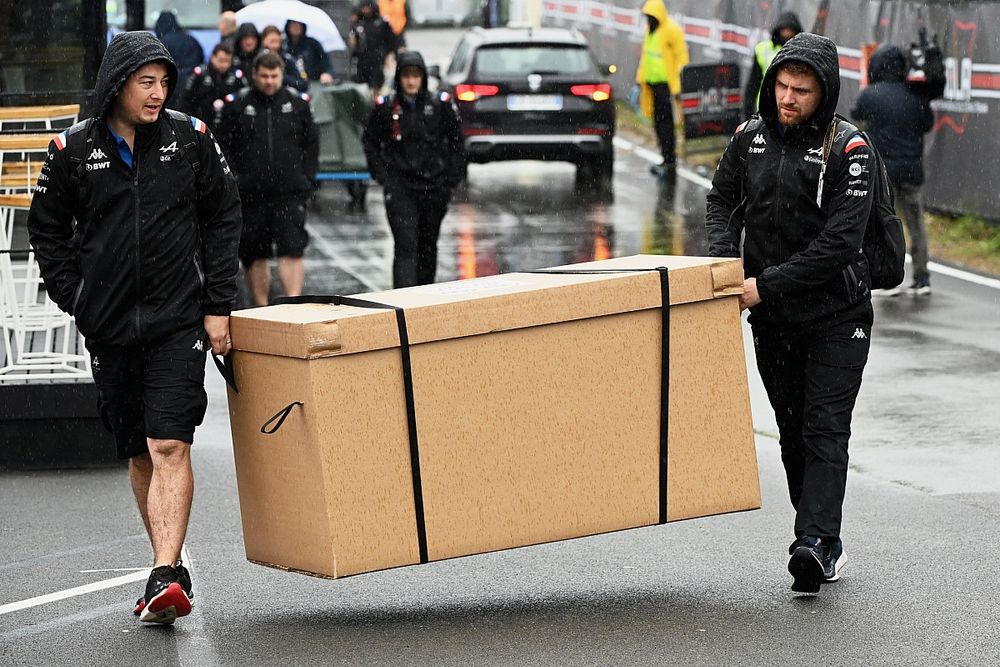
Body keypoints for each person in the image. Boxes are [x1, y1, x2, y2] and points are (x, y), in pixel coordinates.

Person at [26, 31, 241, 623]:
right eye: (146, 81)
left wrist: (218, 304)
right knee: (139, 450)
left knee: (169, 440)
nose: (157, 93)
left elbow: (224, 214)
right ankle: (162, 570)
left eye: (164, 81)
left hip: (179, 321)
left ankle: (168, 573)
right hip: (111, 326)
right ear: (117, 83)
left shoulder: (190, 139)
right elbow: (45, 230)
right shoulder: (70, 150)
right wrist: (79, 298)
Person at [705, 33, 875, 594]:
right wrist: (725, 262)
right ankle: (819, 533)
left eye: (801, 90)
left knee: (826, 427)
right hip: (773, 320)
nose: (788, 98)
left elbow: (839, 245)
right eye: (781, 85)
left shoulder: (849, 149)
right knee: (792, 431)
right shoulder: (748, 137)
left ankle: (815, 542)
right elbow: (721, 199)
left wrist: (764, 286)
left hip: (837, 316)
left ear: (823, 94)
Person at [219, 51, 319, 306]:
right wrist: (236, 179)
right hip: (252, 194)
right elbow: (223, 146)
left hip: (290, 192)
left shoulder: (297, 104)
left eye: (274, 76)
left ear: (282, 75)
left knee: (292, 249)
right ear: (254, 75)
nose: (269, 81)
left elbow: (312, 144)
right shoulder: (238, 105)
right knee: (255, 253)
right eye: (264, 76)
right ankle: (261, 308)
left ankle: (294, 306)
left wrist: (306, 178)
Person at [362, 51, 465, 288]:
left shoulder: (438, 105)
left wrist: (450, 180)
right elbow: (370, 141)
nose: (411, 81)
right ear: (399, 77)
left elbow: (457, 141)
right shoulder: (387, 108)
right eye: (406, 76)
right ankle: (404, 302)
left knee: (428, 245)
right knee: (406, 244)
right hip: (400, 188)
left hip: (434, 186)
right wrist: (383, 177)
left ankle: (424, 301)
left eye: (416, 76)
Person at [851, 43, 935, 295]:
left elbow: (857, 115)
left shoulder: (871, 94)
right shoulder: (915, 95)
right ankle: (922, 278)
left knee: (886, 224)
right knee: (916, 224)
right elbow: (927, 124)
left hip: (884, 171)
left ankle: (888, 277)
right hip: (912, 168)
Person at [635, 0, 689, 179]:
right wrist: (639, 79)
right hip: (652, 86)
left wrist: (679, 85)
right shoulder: (650, 31)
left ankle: (670, 160)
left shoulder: (672, 30)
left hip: (667, 87)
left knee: (667, 125)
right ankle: (665, 158)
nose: (649, 19)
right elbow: (646, 57)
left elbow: (682, 57)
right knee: (658, 123)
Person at [743, 11, 802, 119]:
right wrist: (747, 111)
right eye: (784, 29)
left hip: (791, 106)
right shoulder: (763, 49)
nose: (787, 33)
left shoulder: (802, 51)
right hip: (766, 105)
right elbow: (753, 83)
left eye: (790, 30)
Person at [177, 43, 246, 130]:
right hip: (202, 123)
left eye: (227, 61)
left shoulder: (236, 76)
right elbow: (185, 99)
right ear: (212, 58)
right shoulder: (200, 74)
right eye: (221, 60)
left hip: (228, 126)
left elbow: (243, 95)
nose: (224, 65)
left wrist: (227, 101)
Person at [349, 0, 401, 95]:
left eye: (367, 7)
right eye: (363, 8)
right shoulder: (359, 24)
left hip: (378, 59)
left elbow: (391, 40)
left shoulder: (382, 23)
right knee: (363, 84)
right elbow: (355, 43)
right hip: (363, 60)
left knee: (376, 84)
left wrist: (390, 55)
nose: (365, 10)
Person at [153, 10, 204, 104]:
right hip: (194, 83)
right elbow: (201, 59)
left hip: (174, 85)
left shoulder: (163, 42)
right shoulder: (191, 39)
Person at [260, 24, 309, 92]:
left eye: (277, 41)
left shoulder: (288, 59)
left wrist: (282, 77)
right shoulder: (257, 60)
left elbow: (302, 84)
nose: (275, 46)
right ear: (264, 42)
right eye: (271, 42)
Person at [284, 20, 335, 84]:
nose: (296, 27)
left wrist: (327, 73)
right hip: (292, 83)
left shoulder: (313, 44)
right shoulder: (284, 45)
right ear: (288, 27)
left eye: (299, 24)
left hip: (313, 82)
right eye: (293, 24)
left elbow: (325, 62)